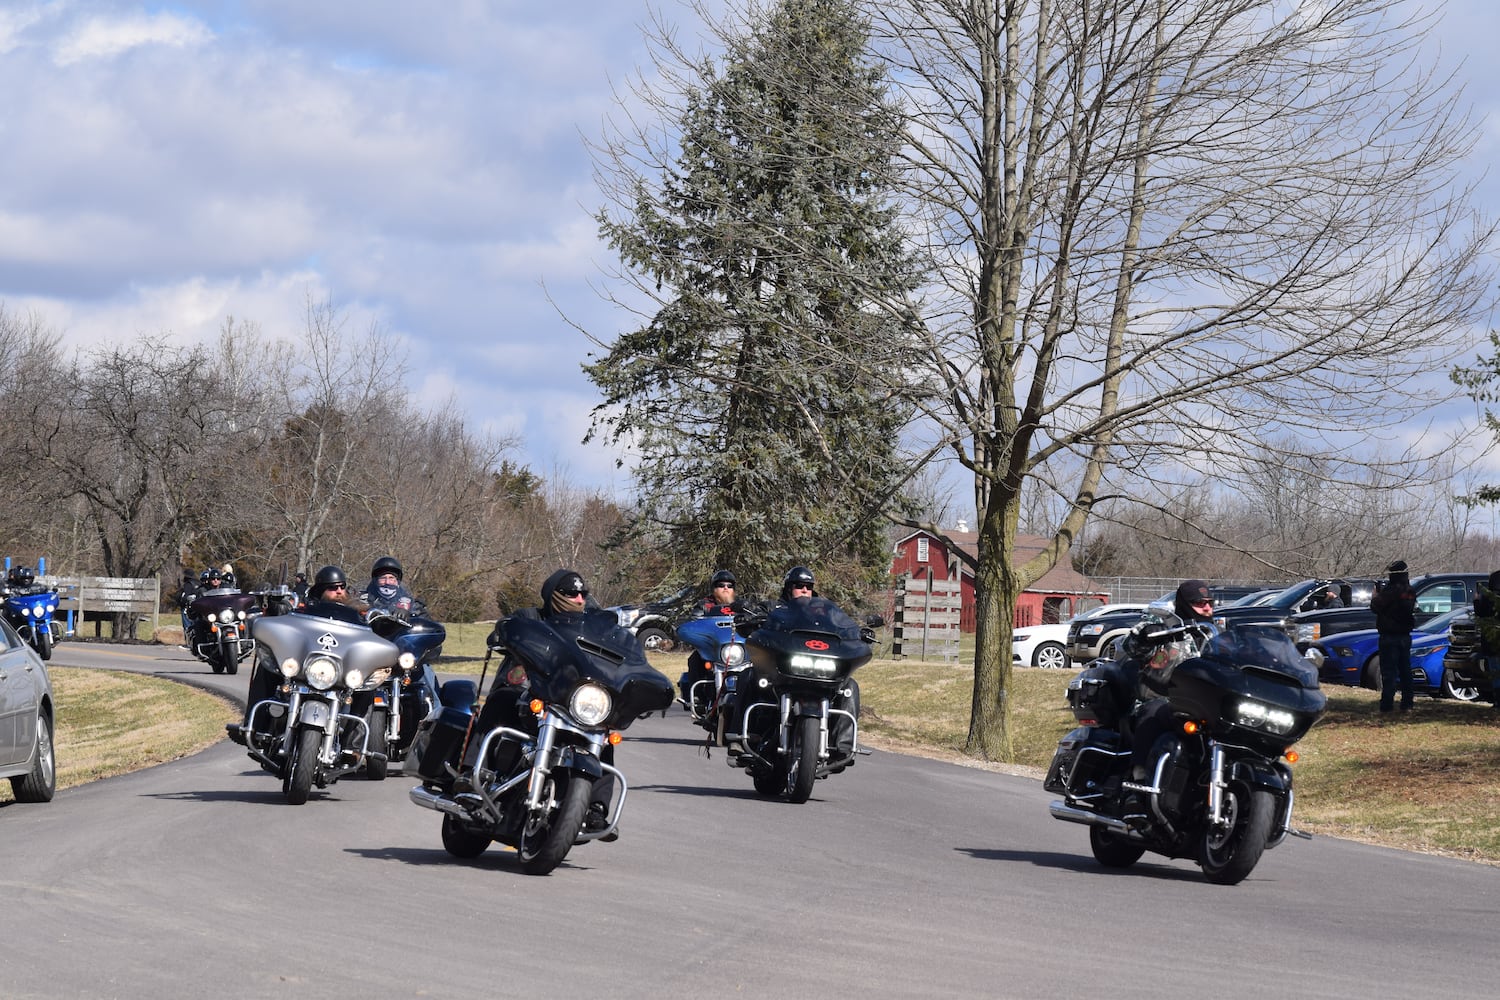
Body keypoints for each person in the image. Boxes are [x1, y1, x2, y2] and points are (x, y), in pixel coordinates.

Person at [467, 569, 625, 840]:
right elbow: (507, 629)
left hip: (572, 703)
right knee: (500, 700)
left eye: (582, 594)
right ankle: (471, 775)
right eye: (571, 593)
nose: (578, 599)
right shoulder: (530, 617)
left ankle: (596, 808)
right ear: (553, 595)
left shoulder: (593, 629)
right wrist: (502, 634)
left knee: (604, 734)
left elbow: (619, 657)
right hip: (529, 695)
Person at [1121, 579, 1218, 801]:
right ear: (1184, 603)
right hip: (1162, 698)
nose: (1207, 608)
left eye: (1210, 603)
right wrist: (1146, 635)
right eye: (1199, 603)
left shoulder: (1217, 635)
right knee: (1154, 711)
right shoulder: (1165, 626)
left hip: (1205, 706)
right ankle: (1138, 782)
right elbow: (1130, 645)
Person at [677, 569, 741, 707]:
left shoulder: (742, 605)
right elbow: (695, 622)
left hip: (738, 648)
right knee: (695, 659)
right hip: (713, 648)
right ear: (714, 589)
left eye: (729, 586)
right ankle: (698, 697)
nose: (725, 588)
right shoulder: (704, 605)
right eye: (721, 585)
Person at [1370, 559, 1418, 713]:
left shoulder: (1391, 591)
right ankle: (1407, 703)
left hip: (1389, 636)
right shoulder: (1409, 591)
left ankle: (1387, 705)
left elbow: (1375, 606)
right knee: (1405, 670)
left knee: (1389, 672)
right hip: (1405, 636)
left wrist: (1375, 596)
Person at [357, 555, 429, 619]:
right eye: (383, 578)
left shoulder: (410, 603)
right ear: (375, 581)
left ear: (397, 581)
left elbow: (427, 624)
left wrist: (409, 615)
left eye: (391, 578)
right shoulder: (363, 599)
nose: (387, 582)